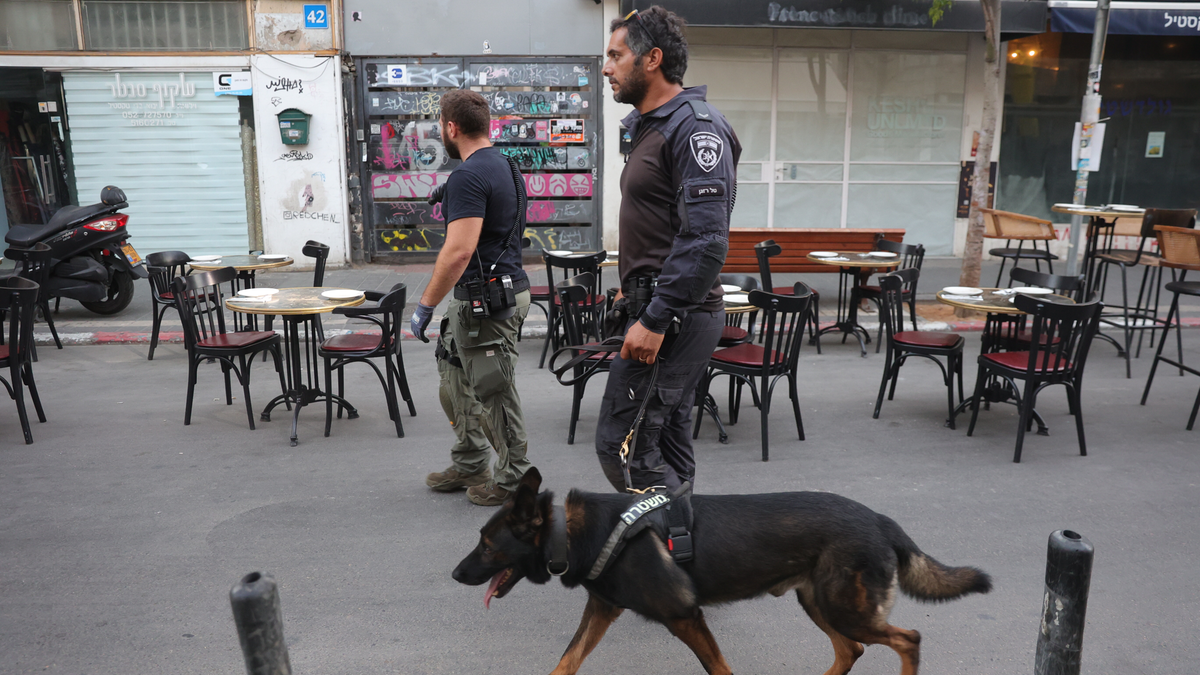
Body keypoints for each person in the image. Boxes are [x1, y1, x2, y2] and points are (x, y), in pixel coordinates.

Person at [595, 6, 741, 492]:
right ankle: (684, 533)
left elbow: (706, 241)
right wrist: (629, 293)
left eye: (616, 56)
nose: (607, 68)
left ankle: (664, 536)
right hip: (659, 307)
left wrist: (656, 319)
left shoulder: (695, 128)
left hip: (676, 317)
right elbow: (660, 224)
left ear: (652, 59)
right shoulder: (651, 125)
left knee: (626, 447)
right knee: (665, 440)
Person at [410, 89, 533, 506]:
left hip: (487, 302)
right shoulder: (506, 167)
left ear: (451, 127)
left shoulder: (468, 175)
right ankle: (470, 461)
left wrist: (425, 305)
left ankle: (514, 481)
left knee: (495, 391)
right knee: (453, 374)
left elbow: (459, 252)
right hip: (490, 295)